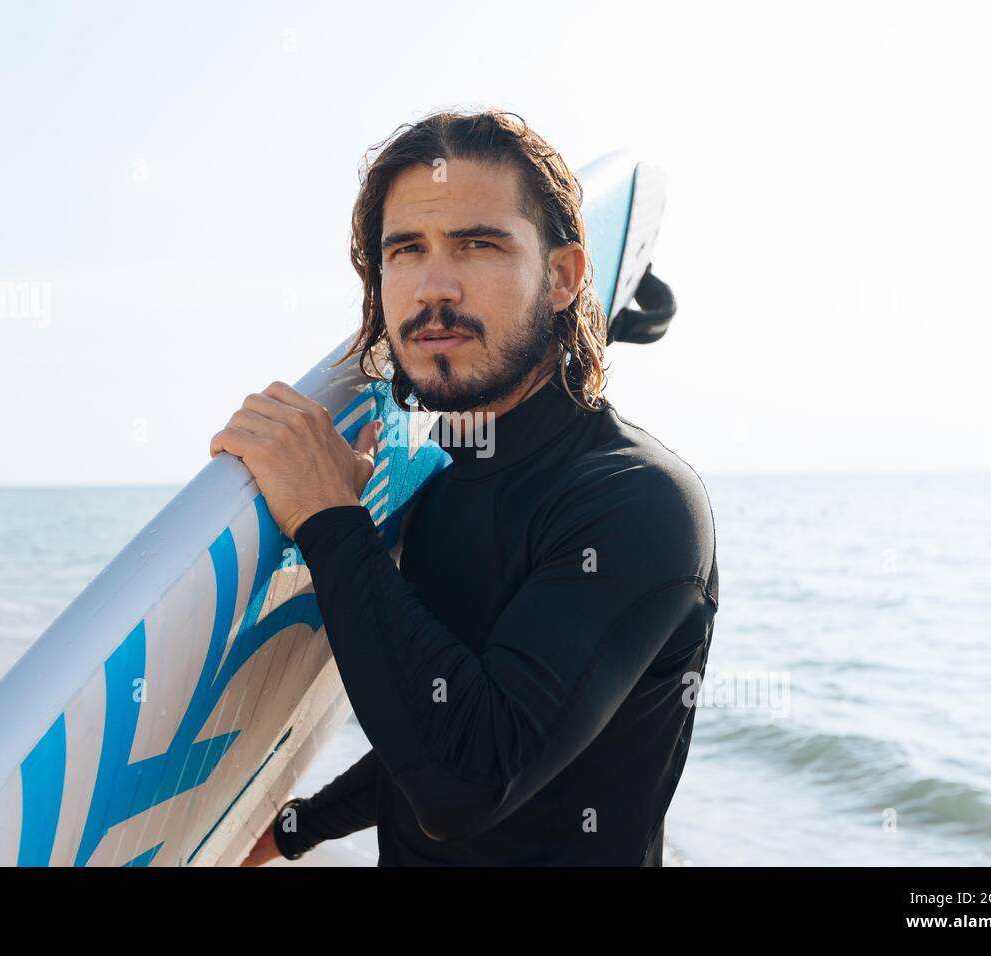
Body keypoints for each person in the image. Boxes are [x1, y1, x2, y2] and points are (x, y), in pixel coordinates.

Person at [211, 109, 718, 866]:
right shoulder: (446, 482)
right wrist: (296, 830)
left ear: (562, 278)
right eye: (405, 250)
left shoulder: (640, 503)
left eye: (479, 245)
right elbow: (437, 713)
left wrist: (328, 517)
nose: (434, 287)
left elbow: (468, 780)